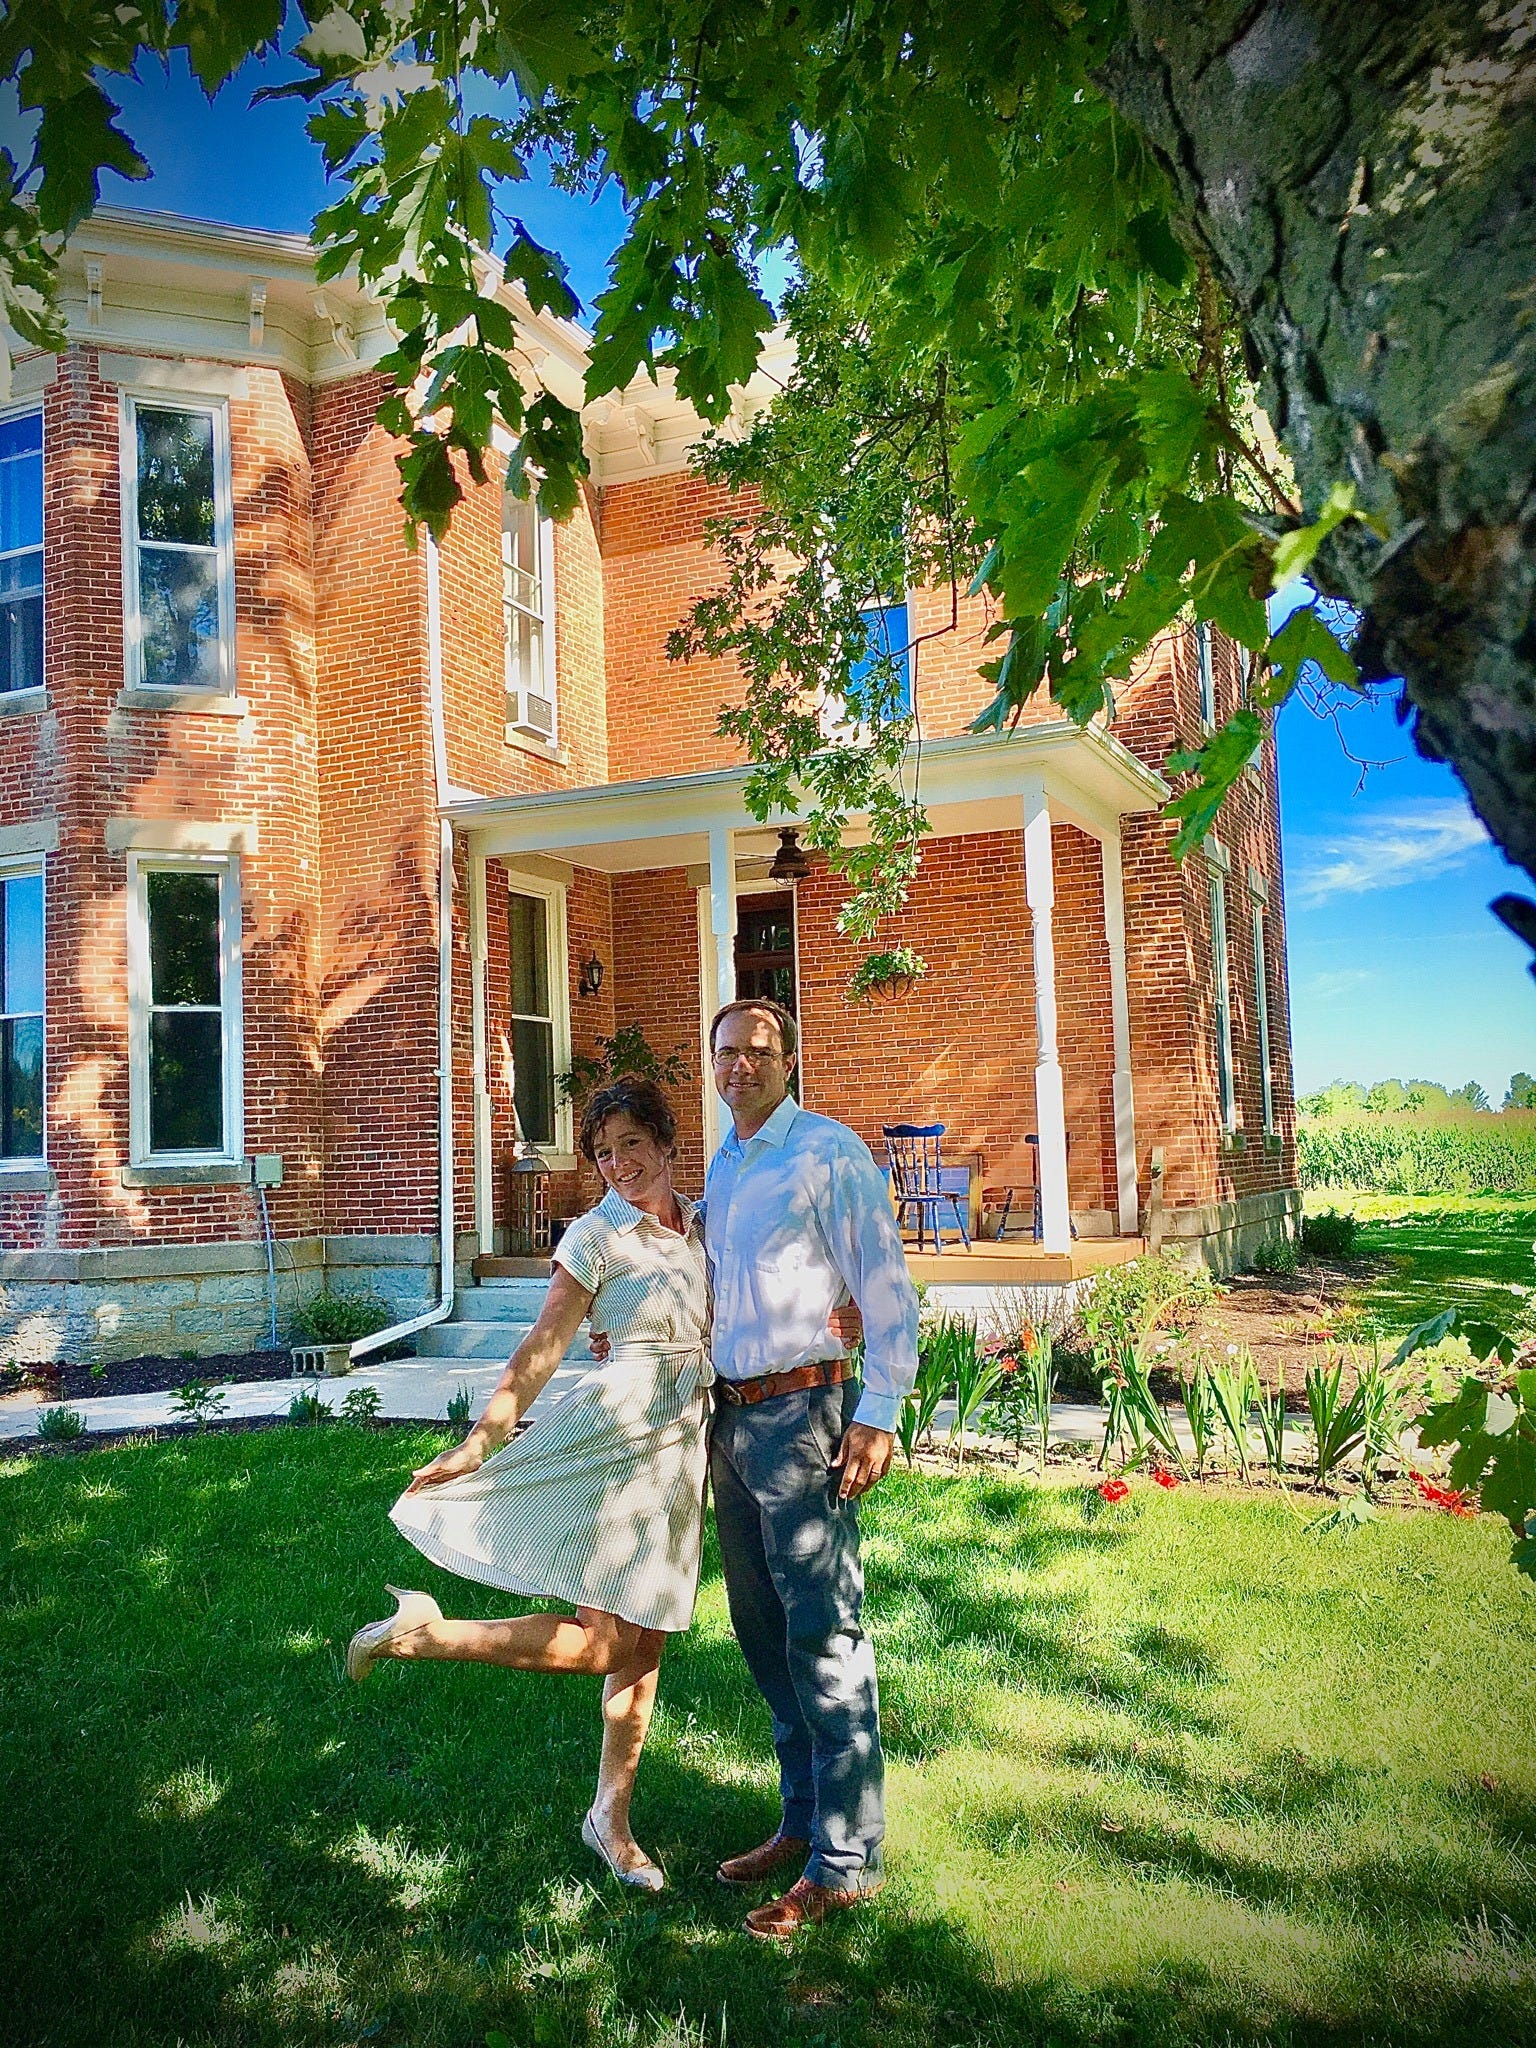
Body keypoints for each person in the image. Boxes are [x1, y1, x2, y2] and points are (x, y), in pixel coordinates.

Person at [345, 1077, 711, 1891]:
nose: (618, 1164)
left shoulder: (698, 1225)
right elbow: (543, 1346)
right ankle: (427, 1633)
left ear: (666, 1141)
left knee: (645, 1641)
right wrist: (481, 1441)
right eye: (603, 1152)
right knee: (607, 1642)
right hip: (616, 1445)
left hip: (681, 1450)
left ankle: (610, 1818)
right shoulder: (595, 1235)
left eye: (631, 1144)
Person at [704, 997, 920, 1939]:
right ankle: (801, 1820)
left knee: (824, 1634)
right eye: (726, 1052)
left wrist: (879, 1412)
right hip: (731, 1420)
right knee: (763, 1633)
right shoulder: (725, 1164)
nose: (740, 1066)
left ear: (788, 1060)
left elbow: (885, 1286)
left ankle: (846, 1861)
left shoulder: (828, 1153)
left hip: (803, 1416)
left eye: (758, 1051)